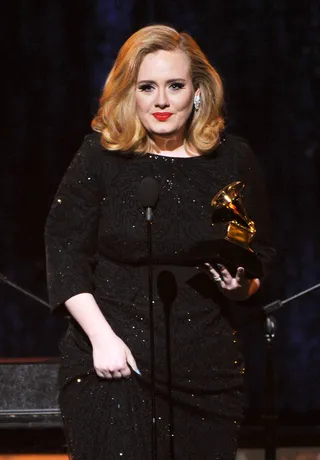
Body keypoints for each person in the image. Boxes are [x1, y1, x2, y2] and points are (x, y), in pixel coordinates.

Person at [45, 24, 275, 460]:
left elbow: (260, 254)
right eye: (147, 87)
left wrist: (242, 287)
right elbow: (63, 249)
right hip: (114, 361)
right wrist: (102, 339)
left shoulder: (233, 159)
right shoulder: (100, 156)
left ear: (199, 91)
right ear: (128, 93)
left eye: (175, 86)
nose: (162, 101)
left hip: (206, 368)